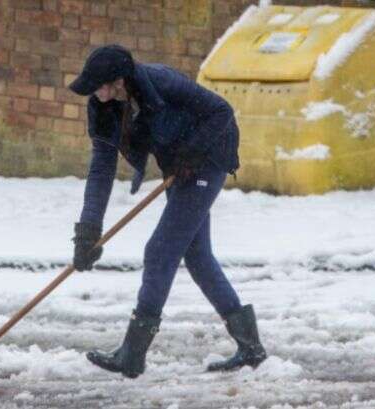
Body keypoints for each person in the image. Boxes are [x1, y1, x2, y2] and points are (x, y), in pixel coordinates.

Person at [69, 44, 267, 378]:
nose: (94, 92)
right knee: (198, 255)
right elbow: (101, 169)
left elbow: (221, 111)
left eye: (99, 84)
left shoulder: (160, 82)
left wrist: (192, 152)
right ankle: (250, 347)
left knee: (160, 251)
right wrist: (89, 229)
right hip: (179, 163)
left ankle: (132, 356)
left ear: (119, 81)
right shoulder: (102, 107)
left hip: (208, 156)